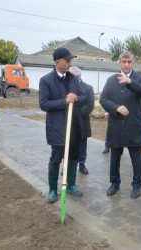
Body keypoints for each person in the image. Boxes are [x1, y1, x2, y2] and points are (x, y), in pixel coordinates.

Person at [39, 47, 86, 203]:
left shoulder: (72, 78)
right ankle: (53, 190)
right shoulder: (46, 80)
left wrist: (76, 97)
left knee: (73, 158)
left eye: (70, 60)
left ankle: (71, 185)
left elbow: (84, 97)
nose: (70, 64)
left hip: (74, 127)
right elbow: (44, 104)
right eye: (67, 61)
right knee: (56, 159)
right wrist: (64, 101)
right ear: (57, 62)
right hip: (58, 128)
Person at [100, 51, 141, 199]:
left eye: (129, 62)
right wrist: (116, 108)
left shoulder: (140, 78)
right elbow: (103, 99)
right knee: (114, 158)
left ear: (133, 63)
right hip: (117, 125)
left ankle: (137, 185)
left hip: (134, 125)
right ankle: (114, 183)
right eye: (123, 62)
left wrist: (130, 82)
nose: (126, 64)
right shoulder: (111, 80)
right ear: (120, 63)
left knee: (136, 159)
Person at [69, 67, 94, 175]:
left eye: (71, 75)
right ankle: (67, 166)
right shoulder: (67, 87)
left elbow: (89, 105)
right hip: (69, 122)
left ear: (78, 76)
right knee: (68, 145)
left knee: (82, 144)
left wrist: (77, 115)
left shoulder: (88, 88)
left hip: (82, 121)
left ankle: (82, 163)